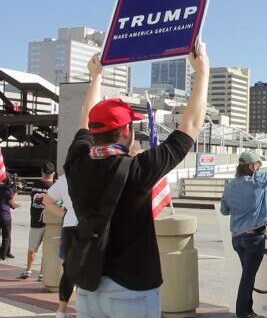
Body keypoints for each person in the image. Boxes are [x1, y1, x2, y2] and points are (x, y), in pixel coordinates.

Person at [64, 45, 209, 317]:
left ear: (95, 132)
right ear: (127, 130)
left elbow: (85, 121)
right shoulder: (138, 169)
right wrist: (202, 72)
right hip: (131, 291)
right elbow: (190, 127)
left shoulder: (76, 164)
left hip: (88, 287)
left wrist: (95, 77)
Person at [220, 151, 267, 318]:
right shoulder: (258, 180)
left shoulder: (230, 185)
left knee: (248, 275)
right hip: (254, 238)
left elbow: (224, 210)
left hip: (237, 239)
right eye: (258, 164)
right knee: (248, 278)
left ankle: (248, 311)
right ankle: (242, 313)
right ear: (252, 166)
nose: (259, 167)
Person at [43, 175, 76, 318]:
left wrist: (65, 214)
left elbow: (47, 201)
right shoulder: (100, 172)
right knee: (92, 268)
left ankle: (61, 311)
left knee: (69, 270)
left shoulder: (66, 177)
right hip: (92, 227)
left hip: (70, 225)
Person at [19, 162, 55, 280]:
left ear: (42, 172)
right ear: (53, 173)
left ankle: (28, 270)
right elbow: (59, 203)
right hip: (49, 222)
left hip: (36, 220)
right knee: (46, 249)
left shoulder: (36, 184)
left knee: (32, 248)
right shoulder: (55, 187)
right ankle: (41, 273)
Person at [0, 177, 18, 260]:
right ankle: (3, 255)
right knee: (6, 236)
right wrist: (16, 192)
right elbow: (12, 204)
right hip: (5, 216)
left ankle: (7, 252)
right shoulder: (8, 190)